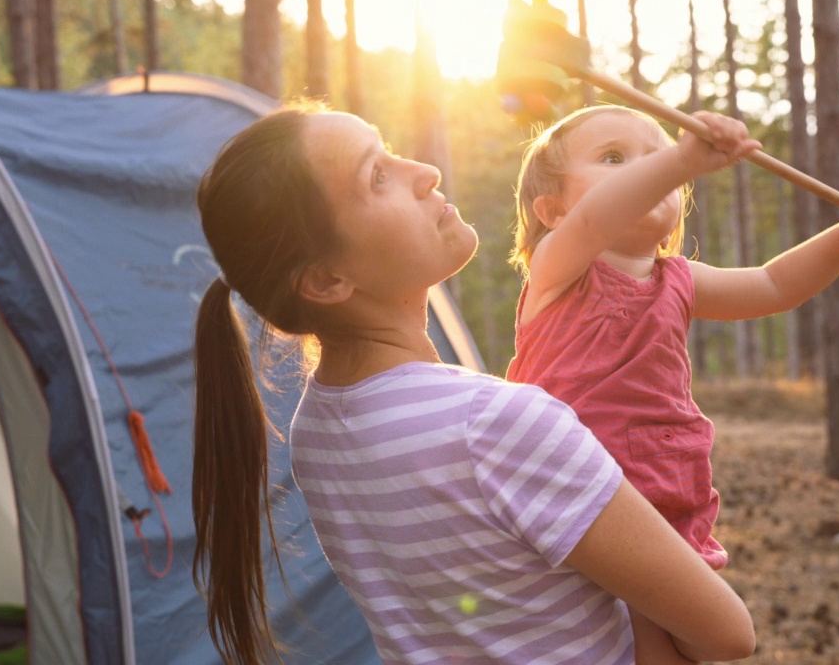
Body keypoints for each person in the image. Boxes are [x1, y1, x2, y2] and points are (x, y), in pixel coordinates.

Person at [190, 103, 757, 665]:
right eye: (378, 176)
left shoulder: (314, 431)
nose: (426, 172)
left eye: (390, 151)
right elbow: (728, 633)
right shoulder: (494, 425)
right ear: (326, 279)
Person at [505, 104, 839, 664]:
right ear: (551, 210)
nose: (646, 170)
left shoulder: (679, 280)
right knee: (696, 634)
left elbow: (773, 285)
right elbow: (596, 220)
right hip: (577, 493)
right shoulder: (560, 269)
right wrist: (680, 160)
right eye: (614, 157)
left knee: (683, 644)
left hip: (667, 490)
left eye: (652, 156)